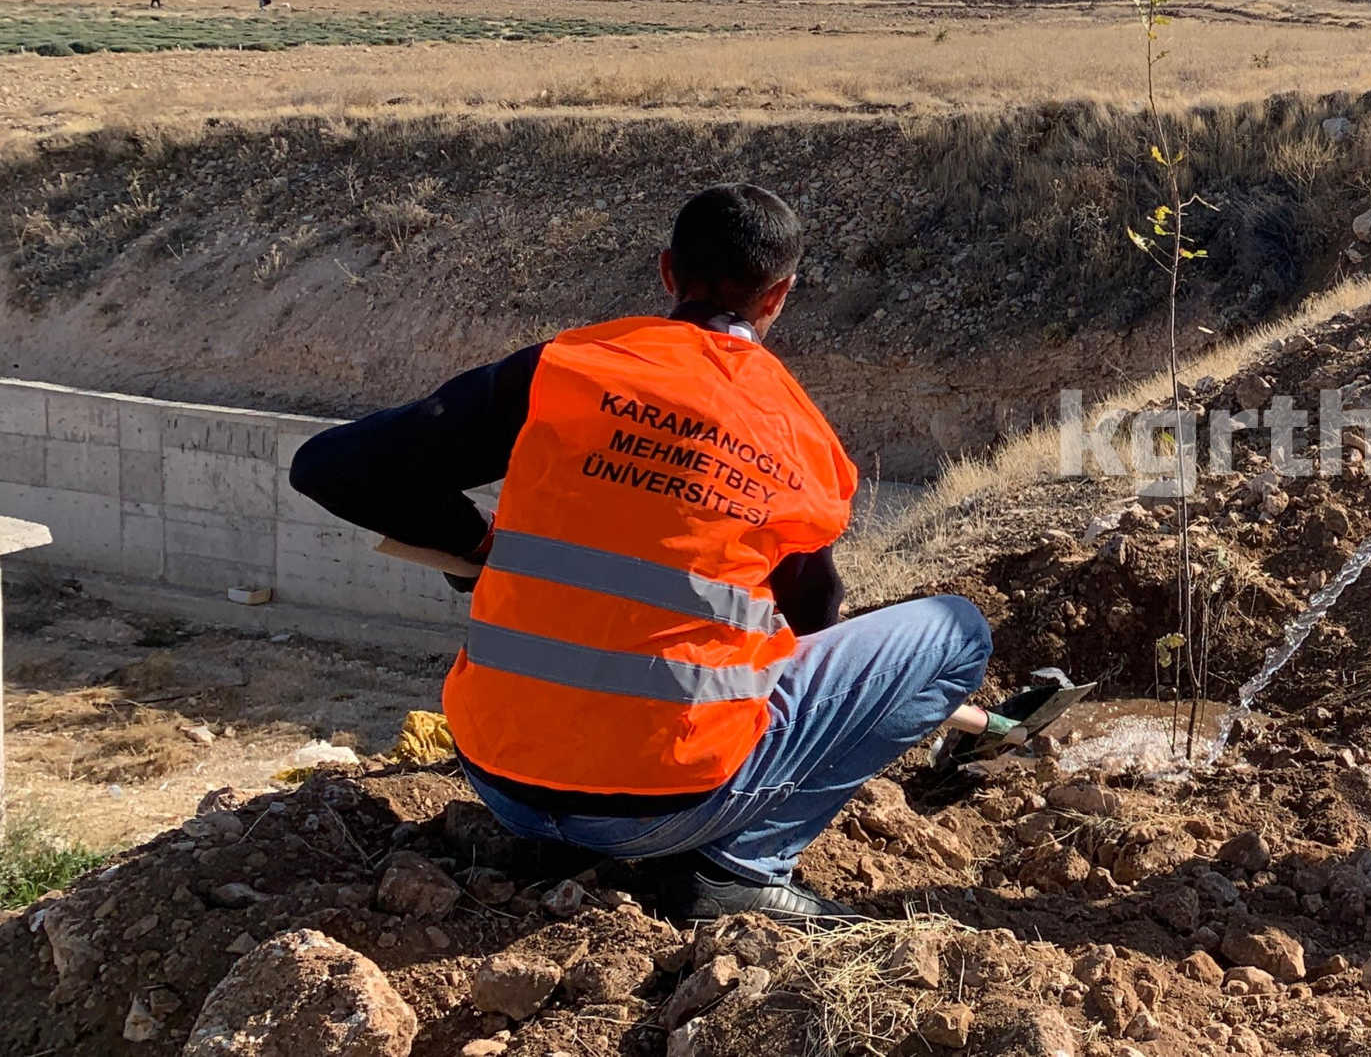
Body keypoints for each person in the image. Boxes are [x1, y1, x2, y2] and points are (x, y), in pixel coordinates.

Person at [291, 184, 1012, 923]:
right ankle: (744, 865)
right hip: (668, 809)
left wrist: (473, 541)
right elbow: (811, 624)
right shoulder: (798, 434)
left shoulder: (562, 370)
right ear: (781, 296)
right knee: (958, 631)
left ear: (667, 271)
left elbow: (331, 467)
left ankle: (594, 833)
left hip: (503, 784)